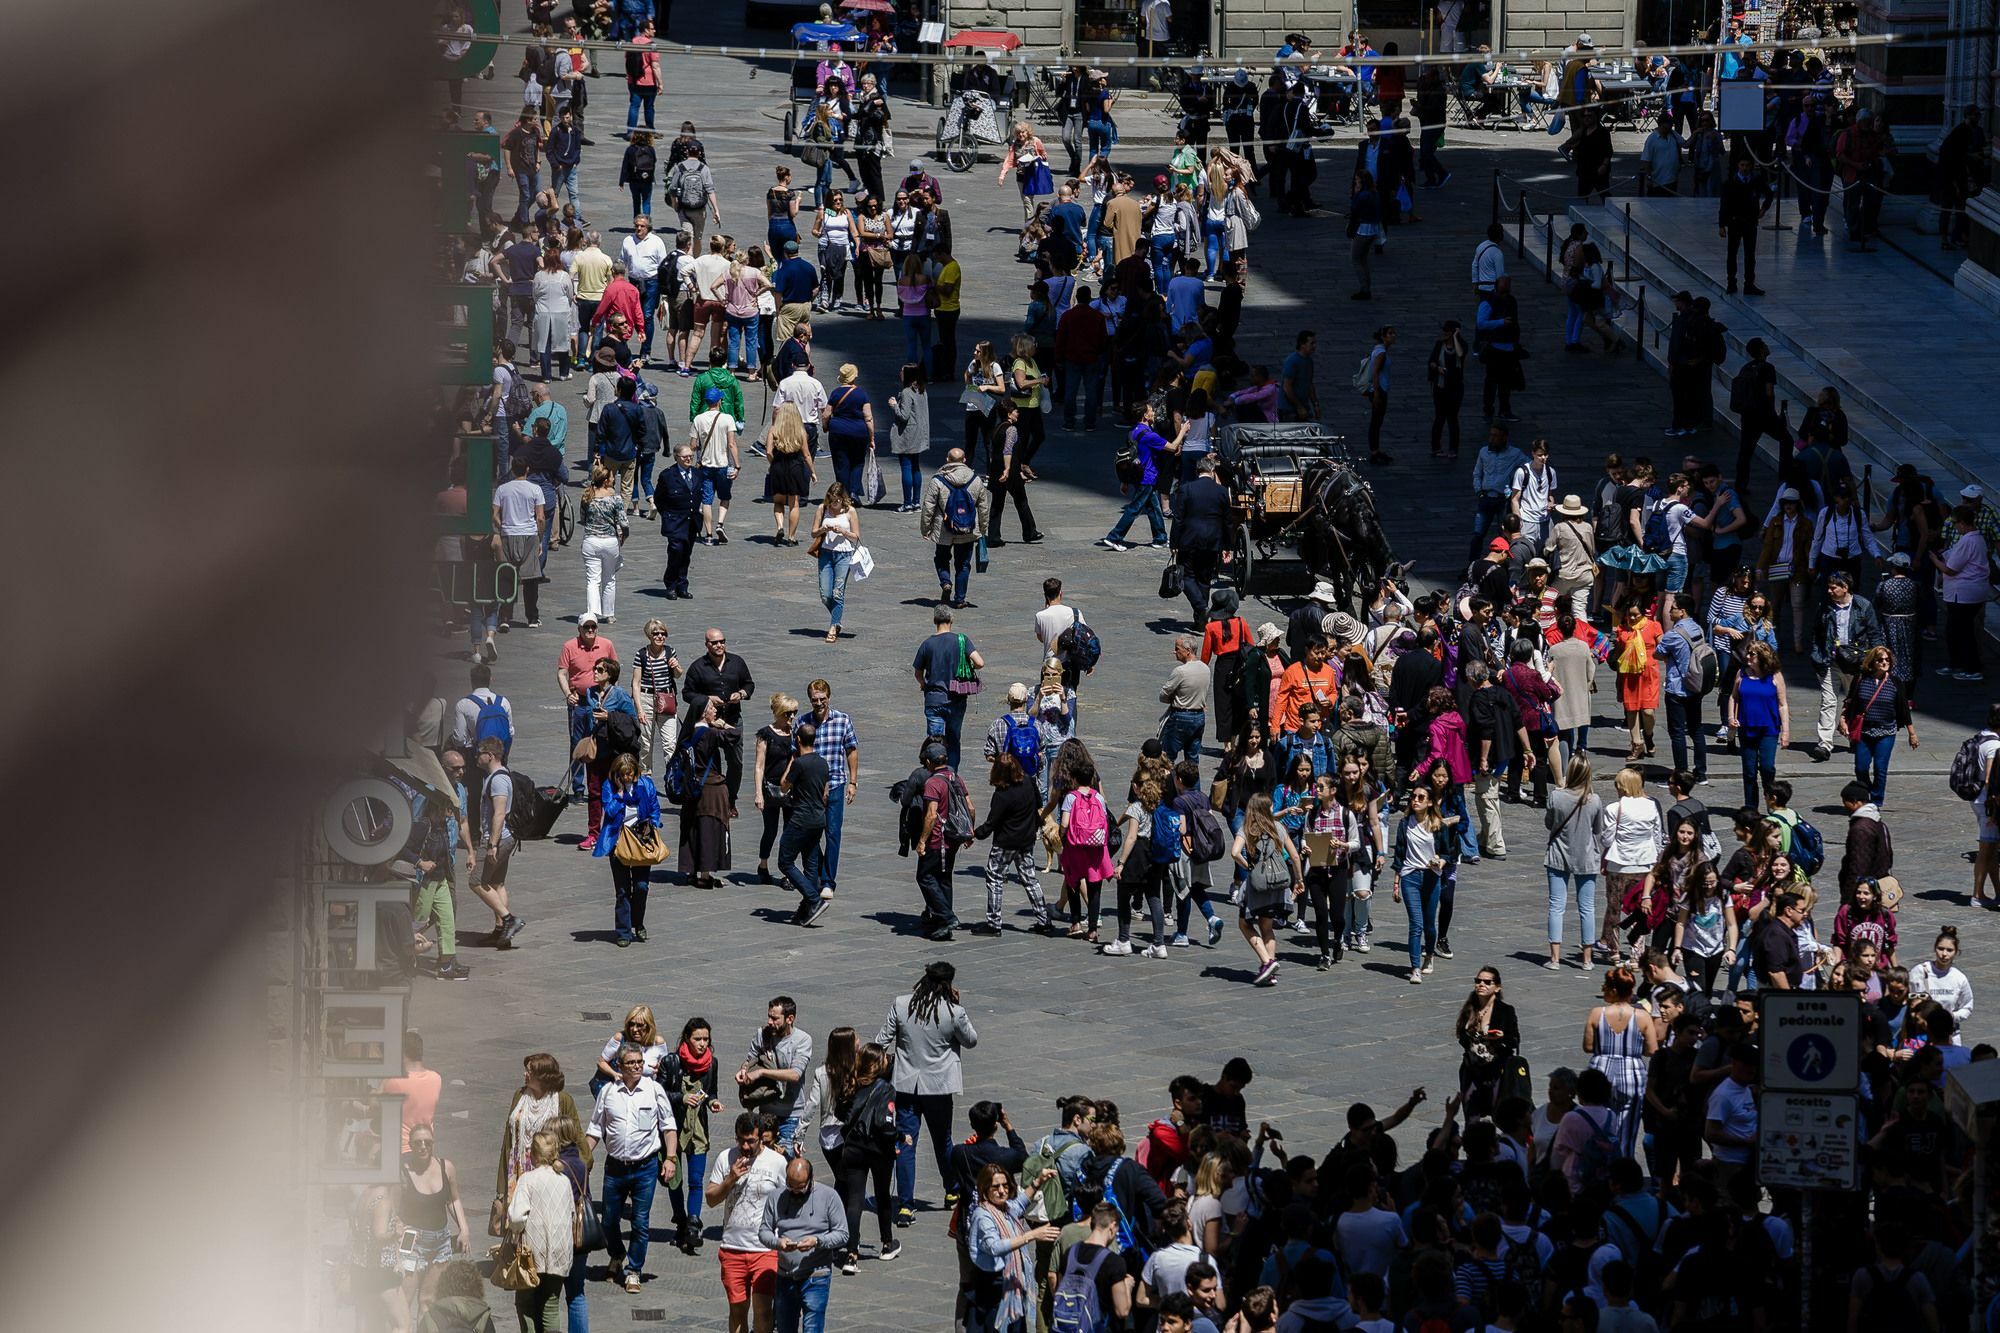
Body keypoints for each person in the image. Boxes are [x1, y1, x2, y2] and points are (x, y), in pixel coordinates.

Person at [878, 960, 979, 1225]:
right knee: (942, 1140)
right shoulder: (953, 1012)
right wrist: (957, 1007)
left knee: (905, 1143)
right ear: (948, 984)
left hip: (905, 1086)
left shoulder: (901, 1004)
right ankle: (951, 1189)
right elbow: (971, 1041)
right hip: (939, 1087)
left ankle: (905, 1205)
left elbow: (881, 1040)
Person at [589, 1040, 680, 1293]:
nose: (638, 1067)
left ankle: (634, 1270)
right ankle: (617, 1254)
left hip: (645, 1167)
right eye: (632, 1063)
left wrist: (670, 1158)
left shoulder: (653, 1089)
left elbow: (668, 1126)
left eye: (640, 1062)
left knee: (640, 1222)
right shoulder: (609, 1092)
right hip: (616, 1167)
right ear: (620, 1065)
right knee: (608, 1219)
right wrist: (582, 1158)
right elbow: (595, 1128)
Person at [705, 1113, 790, 1333]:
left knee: (763, 1311)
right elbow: (711, 1199)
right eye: (741, 1140)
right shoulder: (726, 1158)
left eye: (751, 1140)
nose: (745, 1145)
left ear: (761, 1138)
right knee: (737, 1311)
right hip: (733, 1247)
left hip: (764, 1249)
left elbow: (789, 1200)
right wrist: (730, 1179)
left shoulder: (777, 1162)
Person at [965, 1162, 1063, 1333]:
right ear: (985, 1189)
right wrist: (1030, 1236)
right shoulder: (983, 1216)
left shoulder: (1005, 1208)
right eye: (995, 1187)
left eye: (1005, 1185)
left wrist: (1038, 1182)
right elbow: (994, 1247)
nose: (1002, 1191)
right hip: (992, 1287)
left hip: (1009, 1284)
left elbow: (1019, 1204)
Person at [758, 1156, 848, 1333]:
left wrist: (818, 1241)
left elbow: (843, 1234)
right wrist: (778, 1243)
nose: (795, 1192)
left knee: (812, 1327)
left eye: (800, 1188)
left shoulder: (829, 1196)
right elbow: (763, 1231)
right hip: (785, 1275)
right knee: (784, 1328)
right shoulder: (776, 1197)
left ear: (810, 1180)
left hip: (817, 1275)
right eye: (791, 1186)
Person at [504, 1131, 575, 1332]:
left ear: (532, 1155)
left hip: (531, 1253)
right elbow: (569, 1212)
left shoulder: (528, 1180)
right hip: (560, 1250)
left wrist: (516, 1230)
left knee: (525, 1302)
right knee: (551, 1305)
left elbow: (517, 1217)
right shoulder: (564, 1181)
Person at [594, 752, 663, 946]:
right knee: (622, 890)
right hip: (619, 842)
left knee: (641, 886)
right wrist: (620, 795)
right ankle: (623, 931)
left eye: (630, 774)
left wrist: (652, 823)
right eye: (623, 775)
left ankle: (638, 922)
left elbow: (655, 809)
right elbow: (609, 810)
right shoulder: (610, 787)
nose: (627, 778)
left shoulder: (646, 785)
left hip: (641, 840)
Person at [737, 997, 814, 1152]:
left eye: (774, 1018)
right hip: (766, 1111)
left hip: (791, 1114)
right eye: (769, 1016)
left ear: (790, 1019)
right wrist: (744, 1070)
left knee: (788, 1160)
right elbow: (750, 1060)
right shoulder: (762, 1034)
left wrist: (762, 1072)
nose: (770, 1022)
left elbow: (795, 1074)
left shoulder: (802, 1040)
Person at [920, 450, 991, 610]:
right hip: (968, 529)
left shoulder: (938, 480)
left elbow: (928, 506)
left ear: (947, 460)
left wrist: (926, 528)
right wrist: (983, 529)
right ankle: (960, 599)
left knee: (941, 558)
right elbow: (983, 507)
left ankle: (945, 582)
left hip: (943, 529)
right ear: (964, 460)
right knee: (963, 564)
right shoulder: (976, 480)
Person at [808, 483, 861, 644]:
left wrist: (843, 531)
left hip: (844, 555)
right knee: (825, 595)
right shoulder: (822, 509)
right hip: (826, 553)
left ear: (842, 499)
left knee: (838, 592)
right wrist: (824, 529)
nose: (834, 504)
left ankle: (833, 627)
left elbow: (856, 536)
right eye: (831, 501)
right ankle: (837, 619)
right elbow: (813, 533)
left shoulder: (850, 511)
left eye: (837, 501)